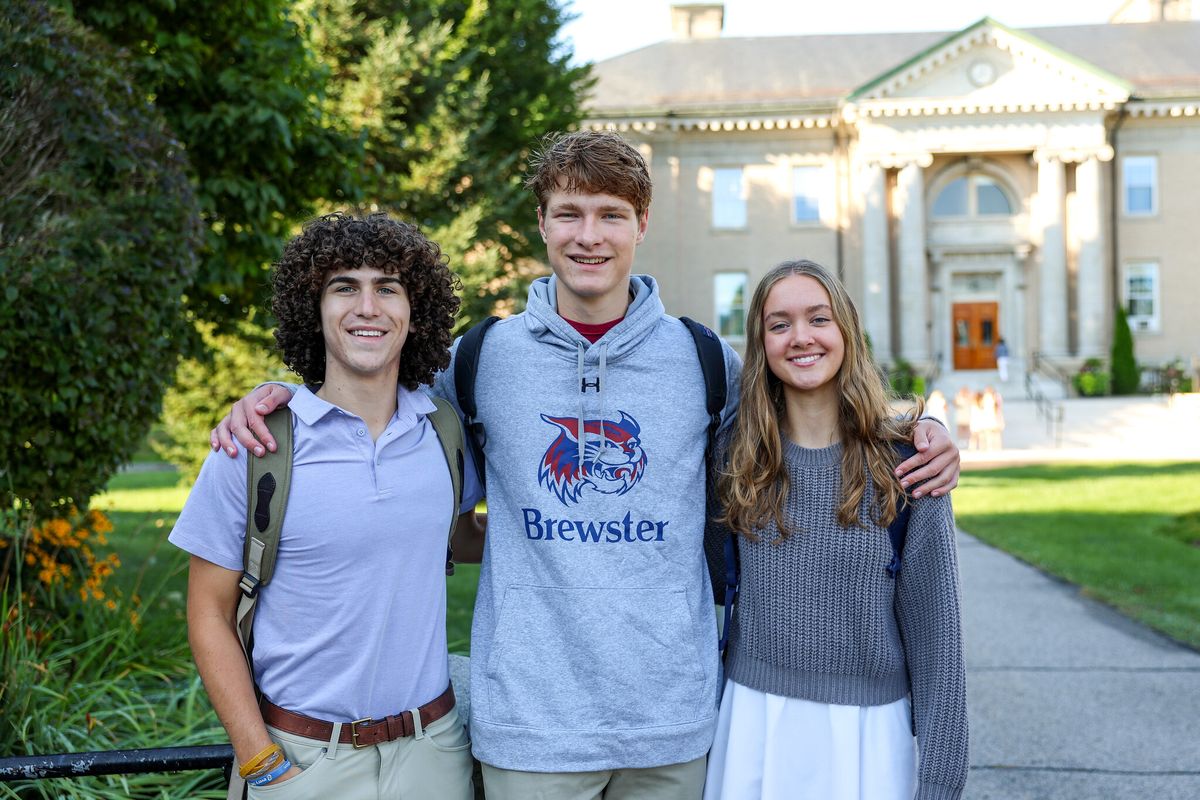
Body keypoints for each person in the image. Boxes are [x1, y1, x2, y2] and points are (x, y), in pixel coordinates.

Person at [212, 131, 962, 799]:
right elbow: (369, 404)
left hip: (672, 725)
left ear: (642, 225)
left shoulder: (703, 360)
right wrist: (278, 395)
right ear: (541, 225)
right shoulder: (482, 359)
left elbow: (800, 425)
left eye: (610, 214)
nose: (589, 236)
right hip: (532, 731)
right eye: (569, 213)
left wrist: (924, 426)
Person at [171, 213, 476, 799]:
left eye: (388, 287)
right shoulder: (254, 446)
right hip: (303, 761)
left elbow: (461, 536)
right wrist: (260, 761)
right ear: (314, 309)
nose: (368, 306)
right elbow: (208, 612)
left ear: (415, 313)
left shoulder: (442, 432)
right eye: (344, 287)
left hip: (435, 754)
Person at [704, 260, 967, 800]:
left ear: (846, 329)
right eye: (779, 324)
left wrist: (942, 777)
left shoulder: (907, 465)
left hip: (867, 734)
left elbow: (937, 636)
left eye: (818, 318)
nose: (800, 337)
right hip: (754, 719)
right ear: (761, 344)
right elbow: (701, 579)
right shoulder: (734, 460)